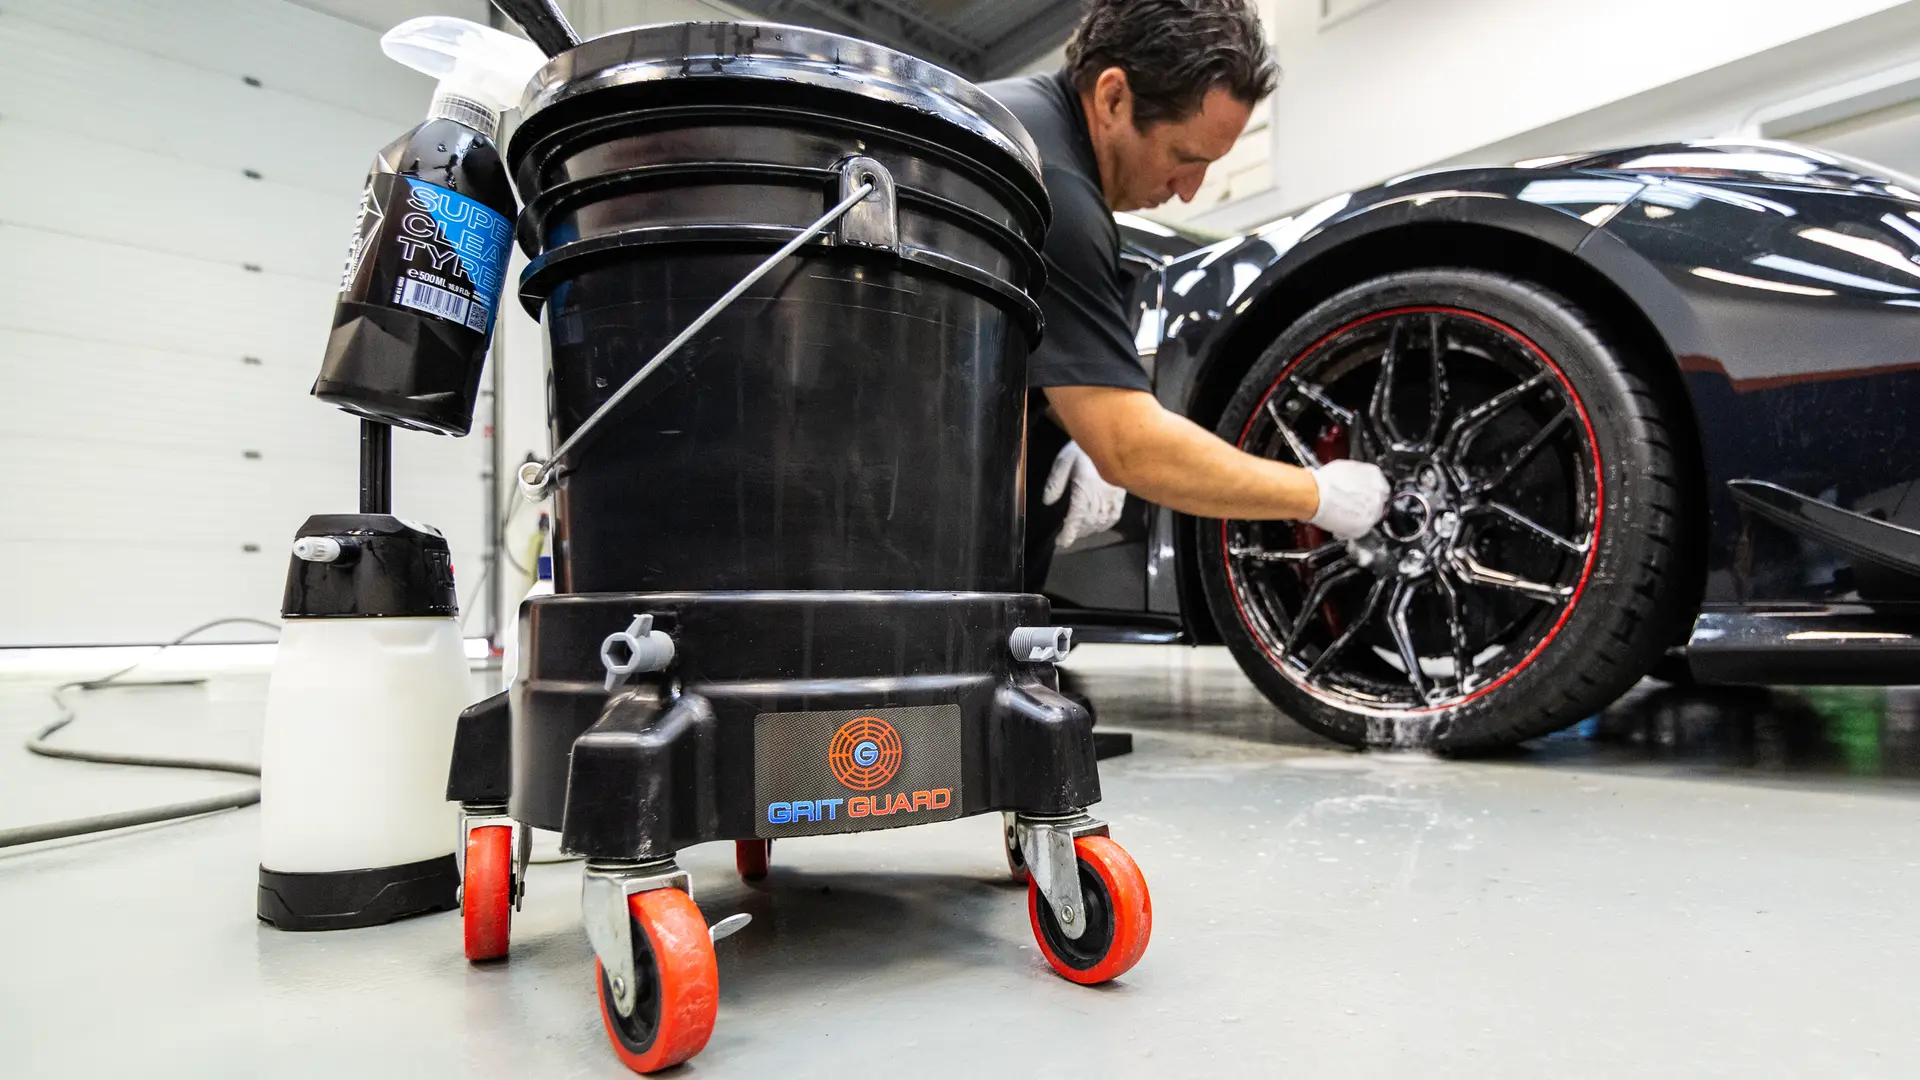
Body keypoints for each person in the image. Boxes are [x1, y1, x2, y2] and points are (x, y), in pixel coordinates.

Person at [985, 0, 1390, 597]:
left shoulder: (1021, 125)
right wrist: (1319, 494)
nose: (1188, 192)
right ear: (1114, 98)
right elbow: (1131, 447)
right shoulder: (1056, 190)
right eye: (1185, 158)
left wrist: (1062, 413)